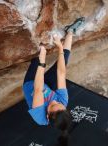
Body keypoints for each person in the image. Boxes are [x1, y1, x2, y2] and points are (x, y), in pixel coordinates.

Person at [22, 17, 85, 145]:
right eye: (59, 103)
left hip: (32, 85)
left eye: (52, 105)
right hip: (47, 86)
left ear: (47, 115)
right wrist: (60, 48)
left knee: (36, 58)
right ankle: (70, 31)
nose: (54, 100)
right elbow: (61, 73)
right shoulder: (62, 102)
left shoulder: (39, 117)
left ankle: (37, 58)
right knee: (64, 60)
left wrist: (42, 61)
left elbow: (38, 88)